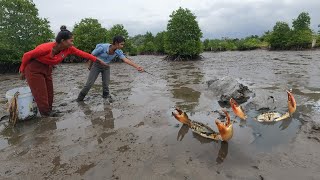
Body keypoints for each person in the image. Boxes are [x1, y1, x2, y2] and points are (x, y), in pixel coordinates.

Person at [19, 25, 109, 117]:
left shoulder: (69, 49)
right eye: (71, 41)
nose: (72, 43)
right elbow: (26, 55)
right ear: (63, 41)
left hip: (47, 68)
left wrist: (99, 61)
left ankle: (49, 110)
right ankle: (45, 114)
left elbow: (84, 54)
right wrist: (22, 71)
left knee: (50, 93)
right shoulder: (45, 48)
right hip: (34, 68)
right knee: (41, 93)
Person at [76, 36, 144, 102]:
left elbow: (125, 60)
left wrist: (137, 66)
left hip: (106, 67)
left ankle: (105, 99)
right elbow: (91, 55)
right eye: (121, 44)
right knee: (89, 84)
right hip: (96, 65)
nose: (122, 46)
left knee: (106, 85)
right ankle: (79, 99)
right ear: (116, 43)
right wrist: (90, 66)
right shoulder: (102, 48)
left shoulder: (118, 51)